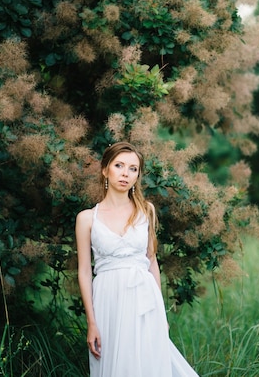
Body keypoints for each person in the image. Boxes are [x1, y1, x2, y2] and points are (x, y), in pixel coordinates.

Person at [76, 141, 199, 377]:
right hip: (108, 300)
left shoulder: (146, 211)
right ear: (105, 170)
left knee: (147, 365)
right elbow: (84, 271)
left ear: (137, 175)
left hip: (144, 301)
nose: (125, 173)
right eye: (119, 165)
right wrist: (91, 322)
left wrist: (161, 314)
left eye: (133, 168)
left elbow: (151, 261)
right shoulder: (87, 218)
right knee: (114, 366)